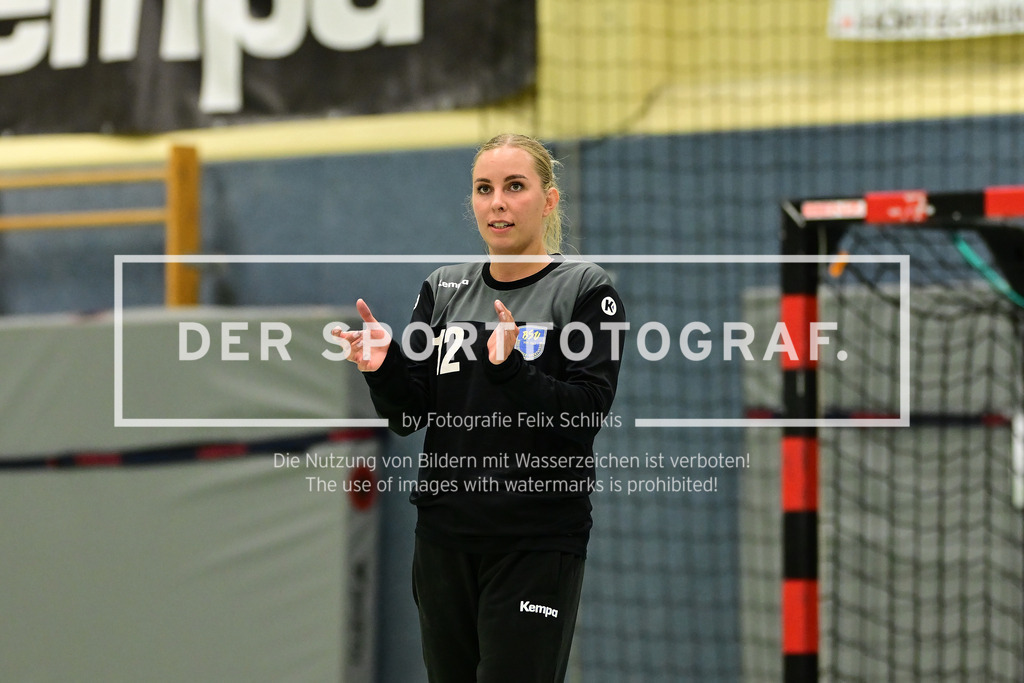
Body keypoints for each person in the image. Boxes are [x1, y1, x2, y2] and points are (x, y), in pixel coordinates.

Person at [334, 133, 626, 682]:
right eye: (484, 188)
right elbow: (408, 414)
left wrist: (510, 369)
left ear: (549, 200)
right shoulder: (443, 289)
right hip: (444, 538)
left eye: (515, 186)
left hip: (534, 541)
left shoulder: (586, 290)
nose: (498, 202)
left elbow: (585, 414)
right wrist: (384, 367)